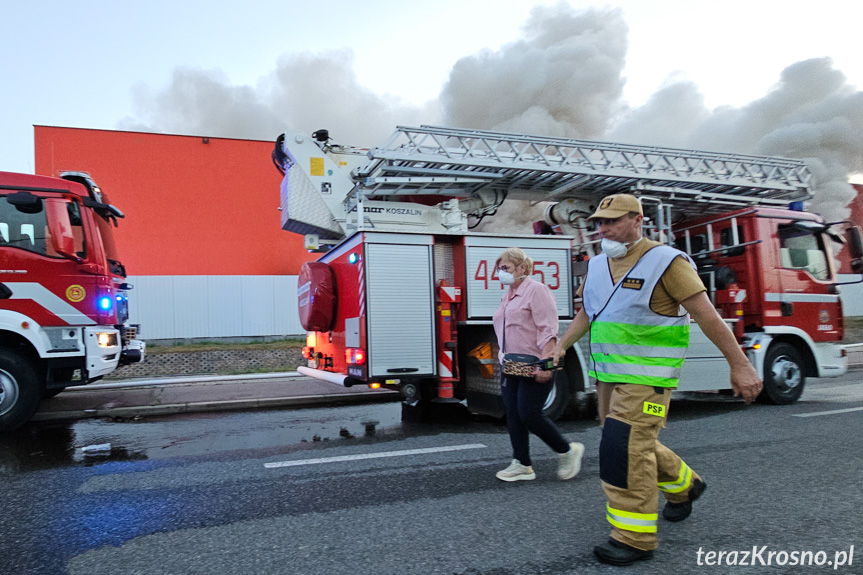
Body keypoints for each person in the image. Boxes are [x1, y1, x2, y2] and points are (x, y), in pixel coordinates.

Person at [552, 194, 763, 566]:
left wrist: (740, 365)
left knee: (624, 450)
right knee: (633, 441)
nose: (603, 229)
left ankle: (634, 538)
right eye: (600, 222)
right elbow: (589, 311)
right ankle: (685, 486)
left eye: (613, 221)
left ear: (638, 220)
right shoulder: (598, 265)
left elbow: (708, 316)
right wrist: (562, 345)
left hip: (649, 380)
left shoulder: (667, 262)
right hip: (609, 377)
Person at [492, 247, 585, 483]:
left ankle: (567, 450)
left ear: (522, 268)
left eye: (506, 268)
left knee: (529, 414)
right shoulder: (509, 295)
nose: (501, 273)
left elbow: (548, 330)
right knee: (513, 415)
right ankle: (522, 464)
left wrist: (547, 365)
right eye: (499, 269)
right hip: (512, 364)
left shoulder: (537, 291)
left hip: (535, 364)